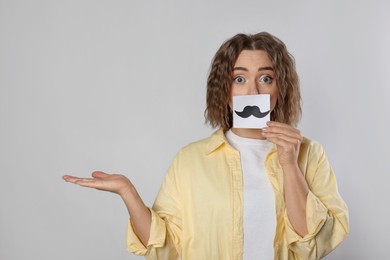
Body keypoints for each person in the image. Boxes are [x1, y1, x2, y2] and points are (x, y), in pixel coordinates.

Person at [63, 32, 349, 260]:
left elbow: (314, 245)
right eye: (239, 79)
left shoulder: (310, 154)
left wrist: (289, 163)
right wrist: (128, 192)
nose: (252, 90)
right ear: (224, 91)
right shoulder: (190, 160)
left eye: (266, 78)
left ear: (280, 88)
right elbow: (165, 248)